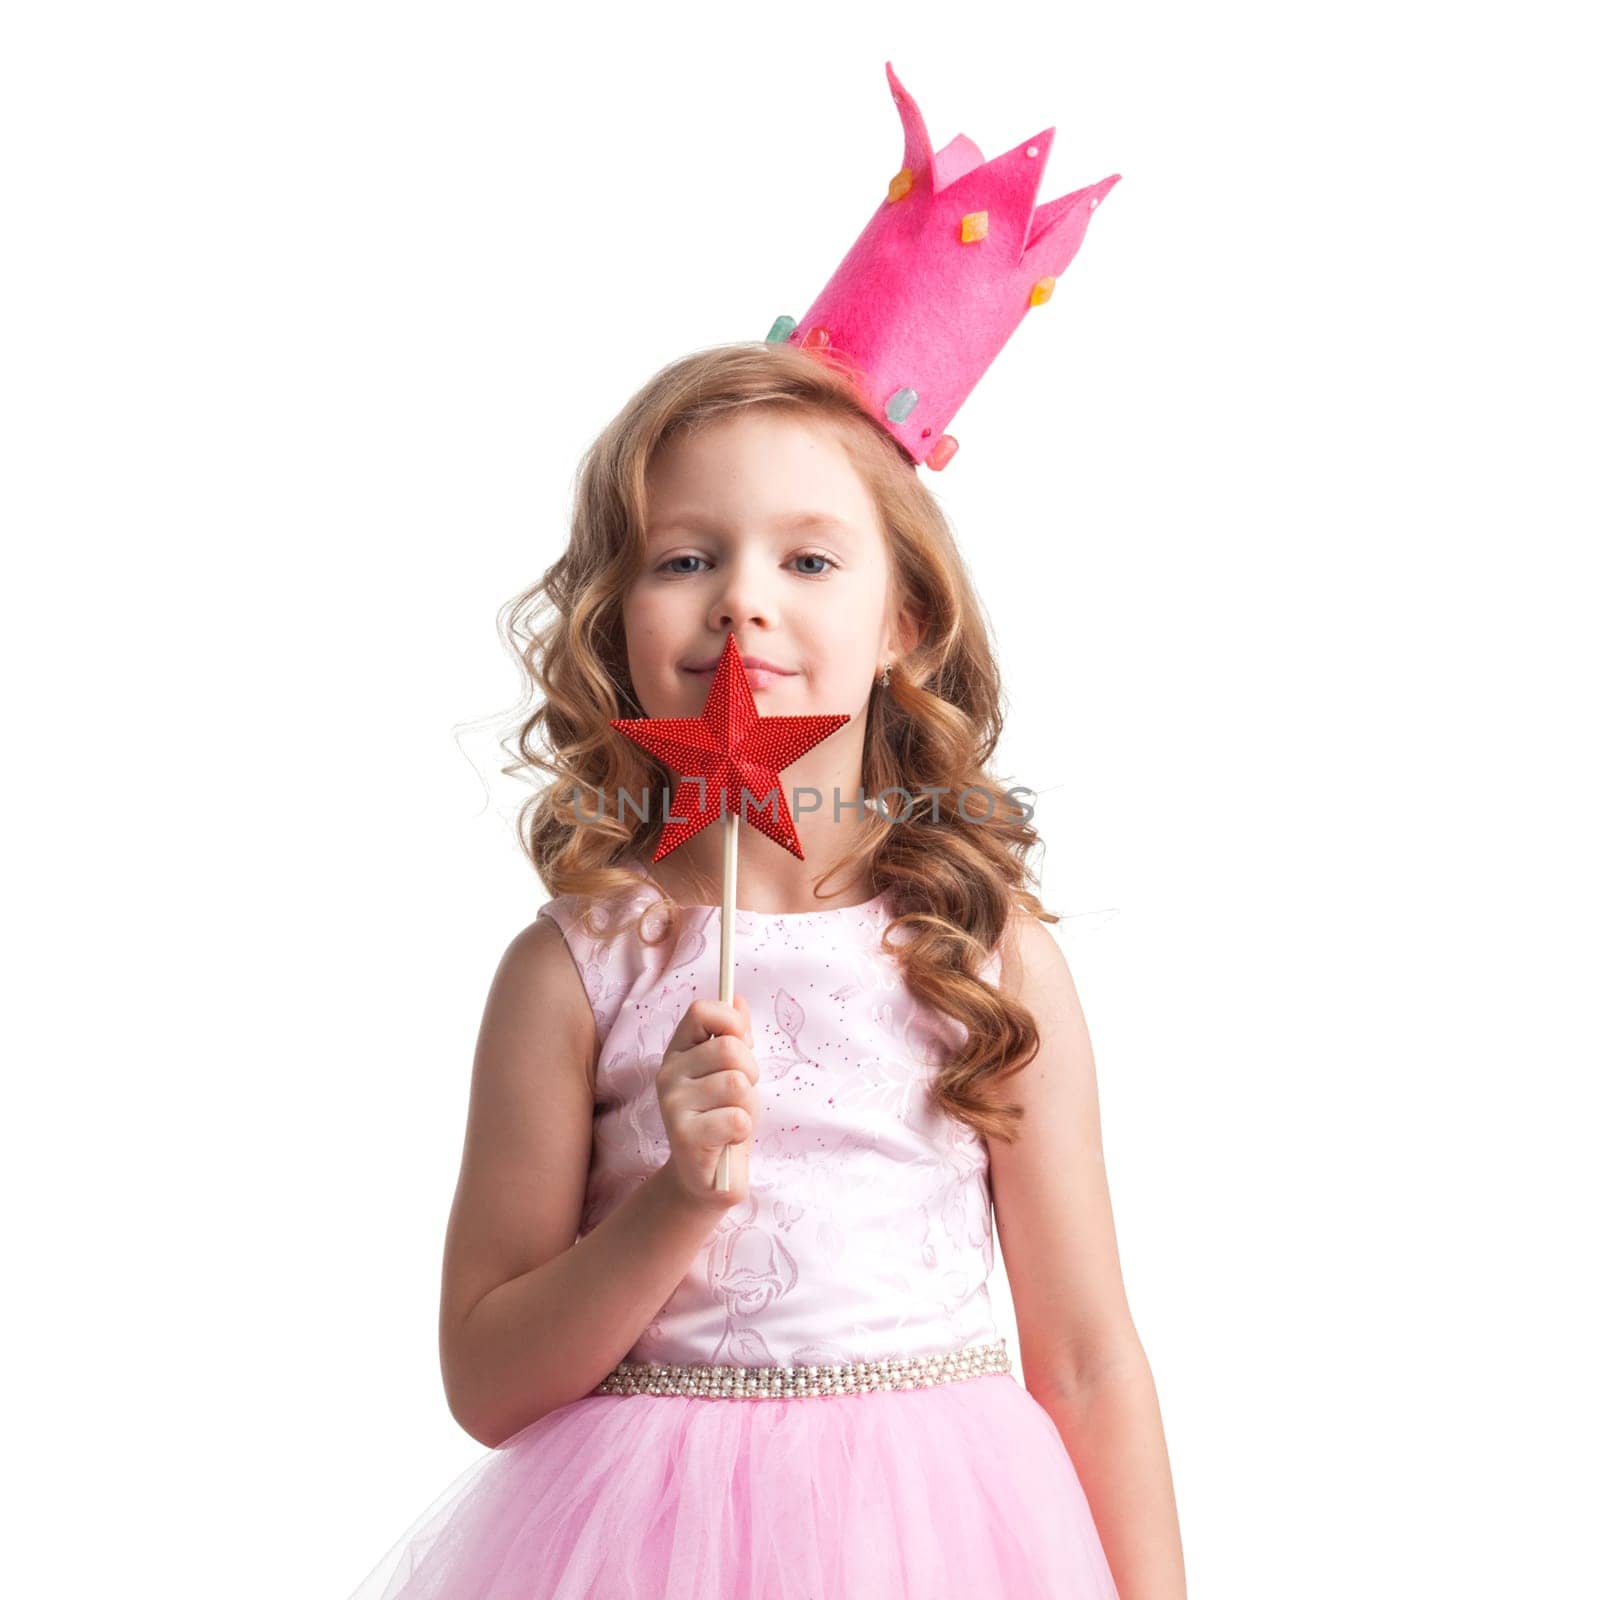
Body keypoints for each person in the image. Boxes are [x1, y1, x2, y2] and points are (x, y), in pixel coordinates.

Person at [347, 64, 1185, 1600]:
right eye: (686, 556)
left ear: (904, 622)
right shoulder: (580, 972)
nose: (744, 598)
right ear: (617, 615)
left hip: (944, 1551)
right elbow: (485, 1375)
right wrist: (674, 1202)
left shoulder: (981, 951)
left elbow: (1083, 1351)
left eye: (809, 556)